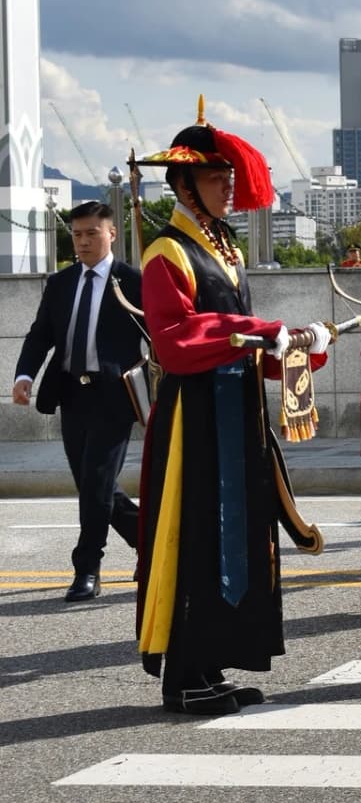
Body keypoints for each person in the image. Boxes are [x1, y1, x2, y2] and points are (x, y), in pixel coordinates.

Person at [133, 101, 330, 717]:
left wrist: (298, 346)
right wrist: (257, 328)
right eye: (218, 177)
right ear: (184, 184)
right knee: (198, 539)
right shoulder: (166, 252)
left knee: (232, 539)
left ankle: (210, 666)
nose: (230, 187)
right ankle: (187, 673)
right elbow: (178, 340)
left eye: (229, 176)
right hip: (195, 422)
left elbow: (240, 341)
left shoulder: (222, 248)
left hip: (234, 415)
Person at [12, 201, 146, 602]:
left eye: (91, 233)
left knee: (96, 483)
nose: (83, 241)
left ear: (110, 234)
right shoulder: (61, 283)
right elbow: (41, 335)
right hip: (72, 393)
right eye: (77, 234)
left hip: (114, 397)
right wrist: (24, 376)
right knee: (94, 485)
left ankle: (88, 568)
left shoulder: (132, 281)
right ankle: (153, 542)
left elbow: (158, 334)